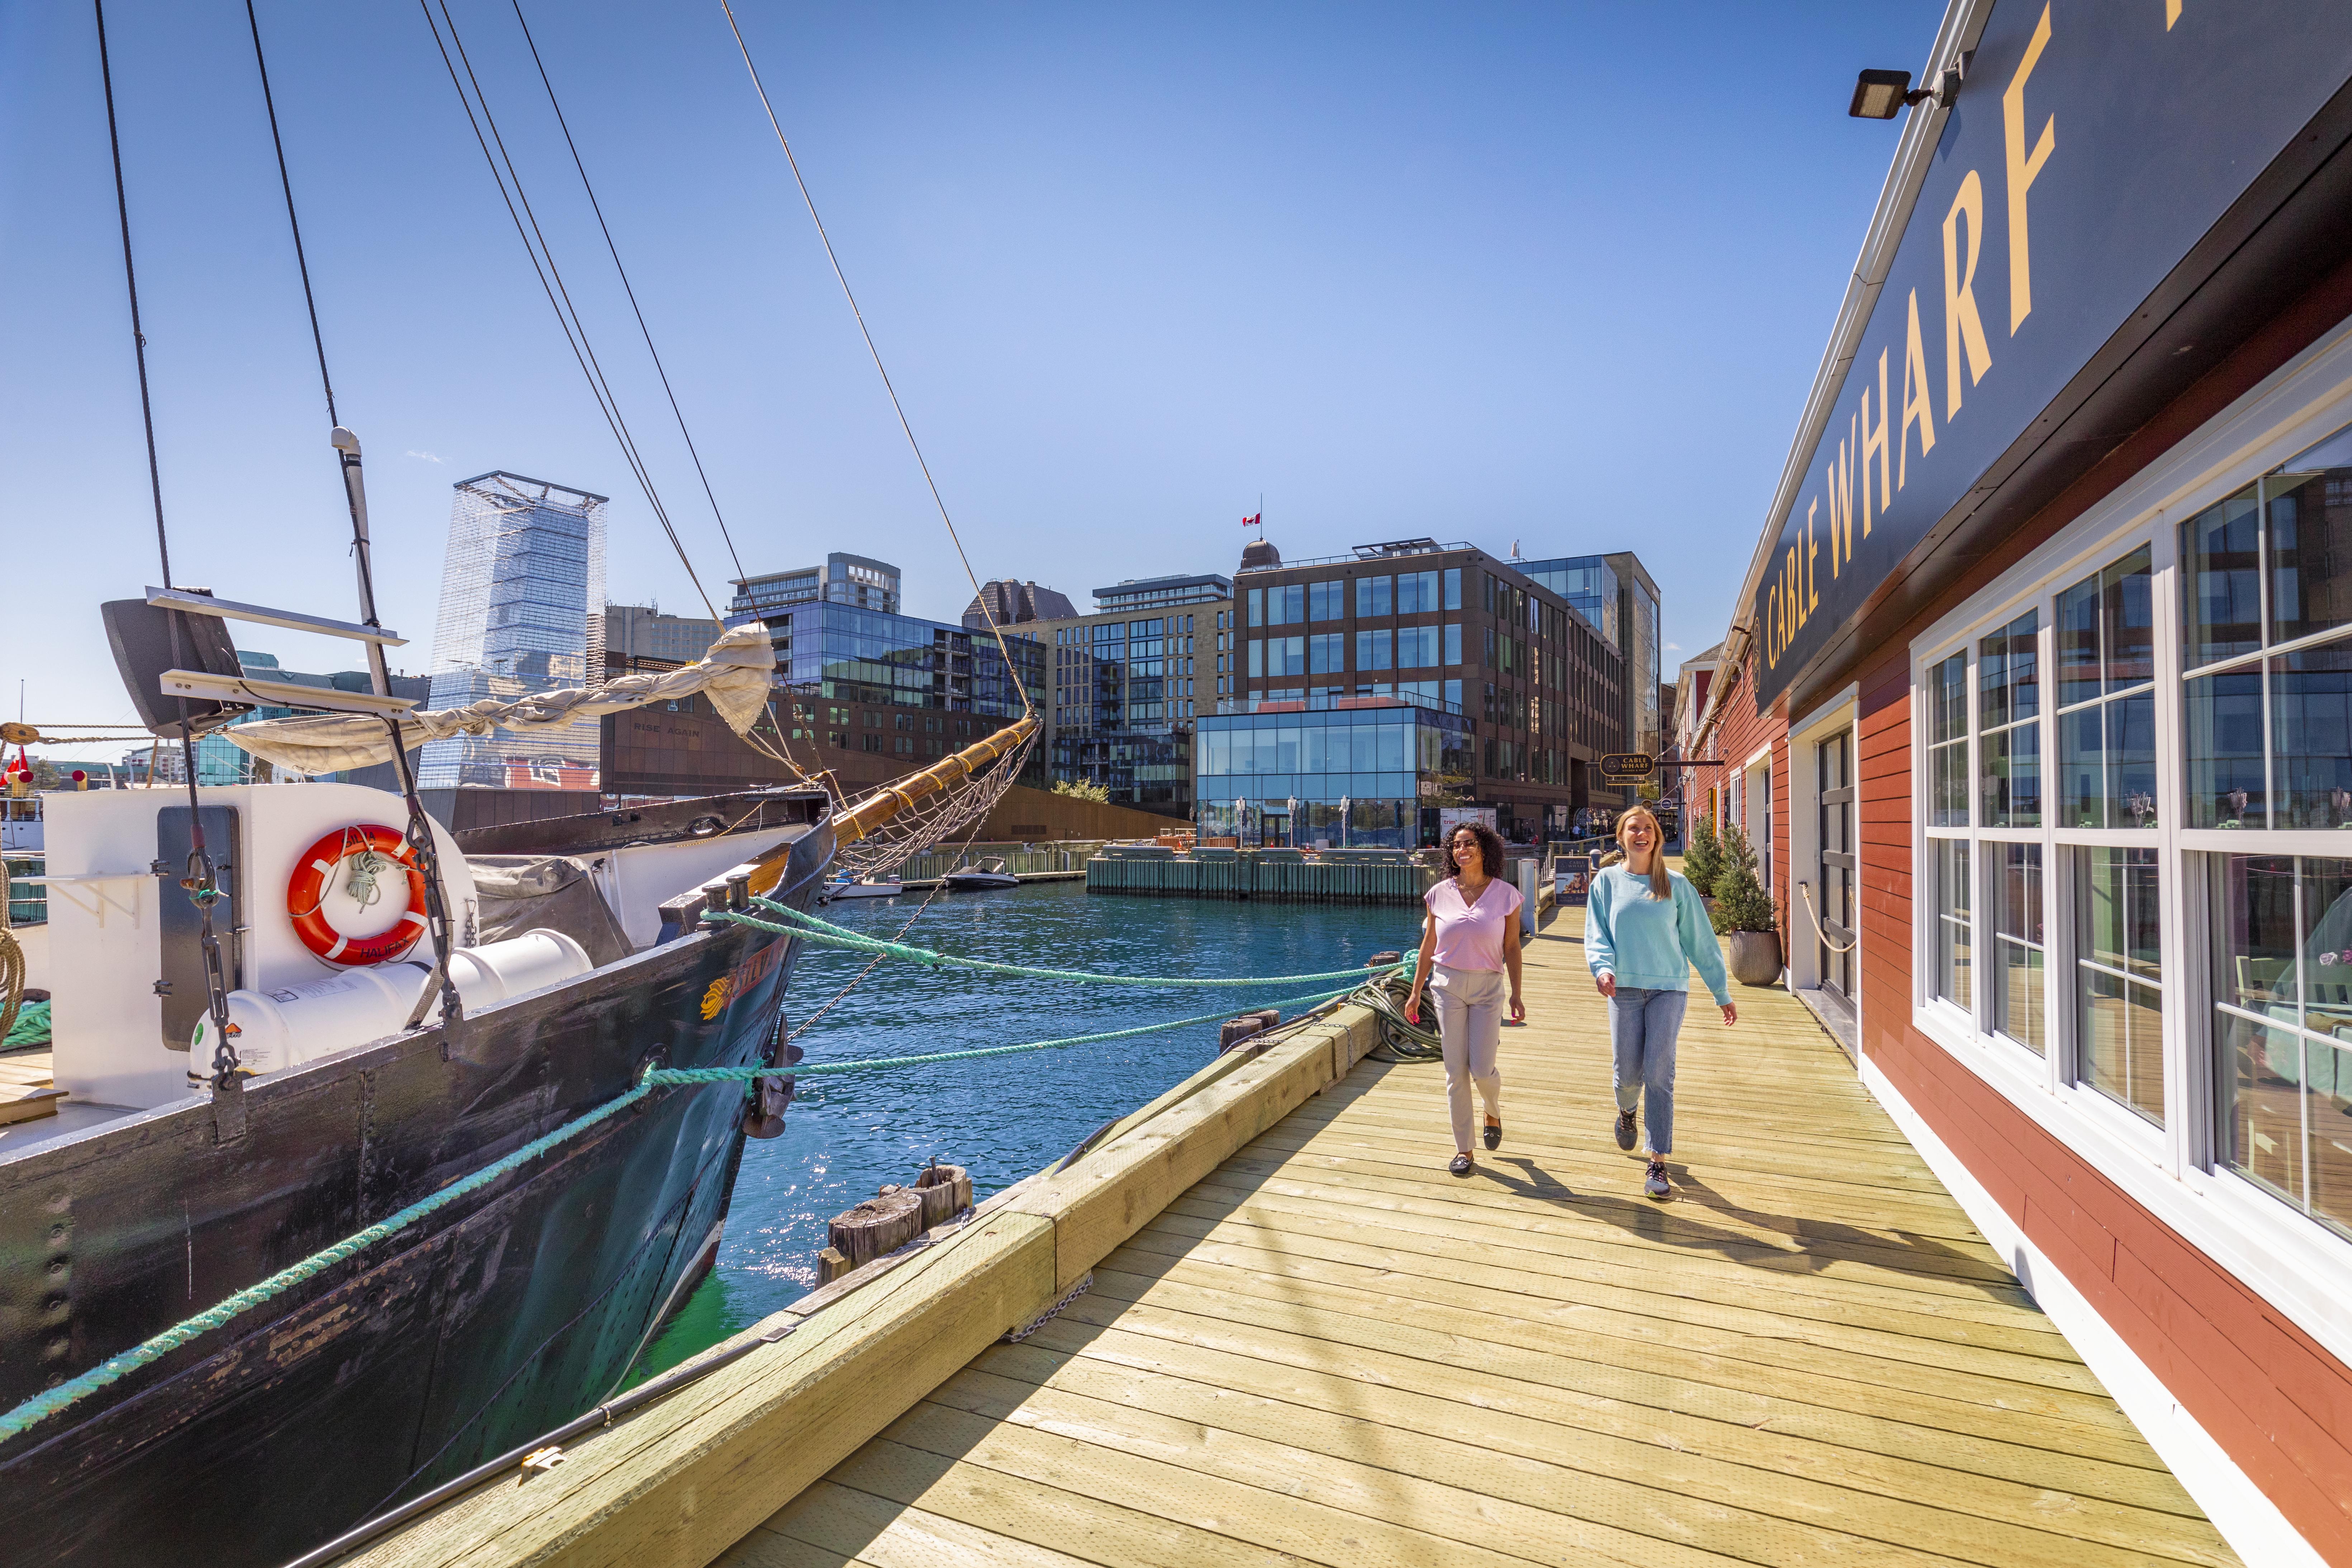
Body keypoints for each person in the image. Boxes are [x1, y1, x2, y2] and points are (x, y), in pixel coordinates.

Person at [1586, 803, 1736, 1199]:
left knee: (1659, 1072)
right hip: (1625, 989)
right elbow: (1597, 933)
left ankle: (1658, 1159)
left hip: (1669, 988)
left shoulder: (1676, 884)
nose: (1641, 833)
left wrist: (1721, 992)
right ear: (1620, 838)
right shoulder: (1606, 882)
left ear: (1656, 836)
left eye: (1648, 827)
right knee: (1627, 1075)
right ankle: (1626, 1111)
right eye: (1633, 828)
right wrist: (1601, 967)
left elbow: (1700, 943)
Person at [1402, 821, 1525, 1176]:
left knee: (1482, 1068)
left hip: (1488, 987)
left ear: (1485, 848)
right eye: (1455, 845)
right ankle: (1464, 1149)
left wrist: (1517, 993)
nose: (1462, 849)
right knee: (1455, 1071)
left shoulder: (1505, 894)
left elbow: (1512, 946)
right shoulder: (1438, 893)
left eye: (1469, 843)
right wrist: (1415, 991)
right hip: (1446, 986)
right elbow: (1428, 945)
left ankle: (1493, 1108)